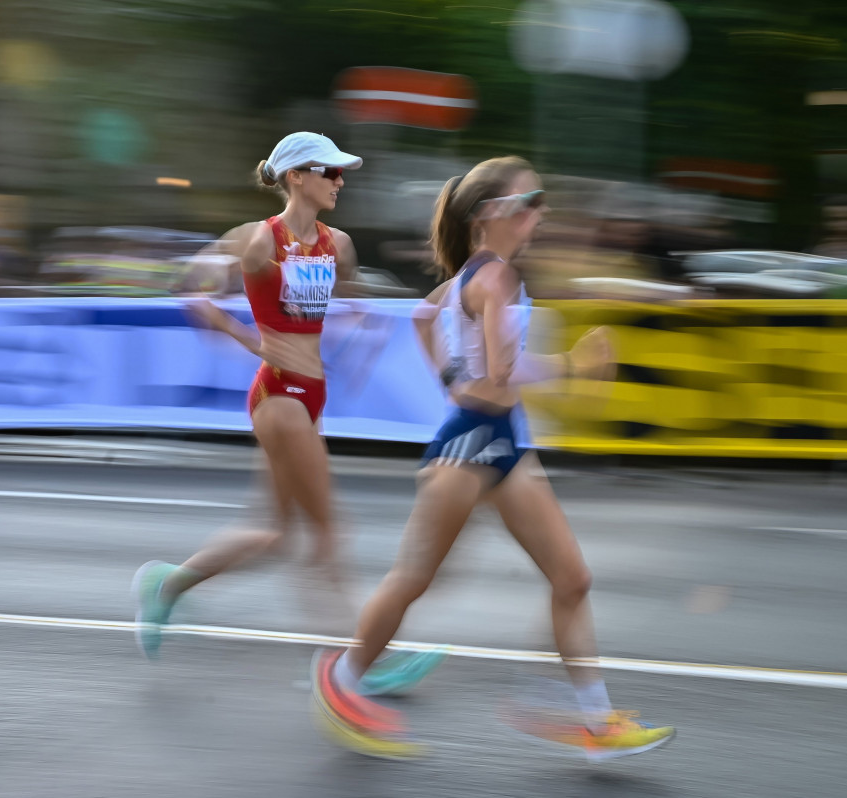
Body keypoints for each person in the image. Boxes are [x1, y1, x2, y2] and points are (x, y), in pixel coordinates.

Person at [310, 156, 676, 760]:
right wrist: (571, 368)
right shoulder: (495, 279)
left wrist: (456, 376)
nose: (541, 212)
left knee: (572, 578)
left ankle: (597, 720)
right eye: (531, 201)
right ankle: (341, 681)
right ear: (492, 214)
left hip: (502, 442)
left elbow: (427, 318)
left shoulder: (470, 280)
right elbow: (504, 373)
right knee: (413, 580)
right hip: (471, 444)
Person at [132, 132, 446, 696]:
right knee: (328, 533)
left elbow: (345, 298)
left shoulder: (338, 243)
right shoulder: (256, 242)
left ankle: (168, 587)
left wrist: (363, 323)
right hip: (279, 395)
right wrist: (245, 335)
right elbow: (191, 290)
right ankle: (357, 663)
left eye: (342, 172)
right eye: (330, 171)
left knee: (277, 533)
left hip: (312, 393)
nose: (340, 181)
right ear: (296, 176)